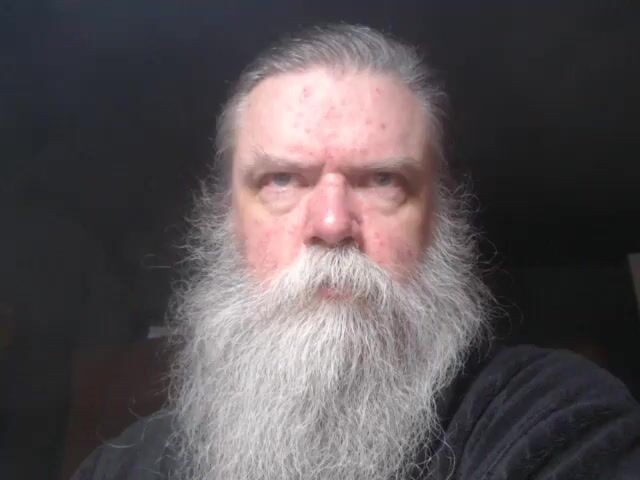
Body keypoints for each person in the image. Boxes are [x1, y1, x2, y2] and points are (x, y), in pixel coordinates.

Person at [72, 24, 640, 480]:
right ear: (227, 221)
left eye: (382, 180)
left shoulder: (554, 422)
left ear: (439, 220)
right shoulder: (124, 466)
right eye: (281, 180)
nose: (331, 223)